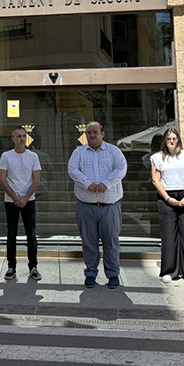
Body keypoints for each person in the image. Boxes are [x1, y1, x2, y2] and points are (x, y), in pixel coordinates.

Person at [67, 121, 127, 289]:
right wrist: (88, 184)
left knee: (111, 242)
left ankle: (113, 274)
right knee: (88, 242)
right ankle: (91, 273)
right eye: (89, 133)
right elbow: (72, 170)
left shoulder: (114, 151)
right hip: (86, 206)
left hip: (110, 206)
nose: (92, 135)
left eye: (95, 132)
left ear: (102, 133)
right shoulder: (78, 152)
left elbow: (122, 168)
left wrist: (106, 183)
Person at [151, 128, 184, 284]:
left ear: (178, 140)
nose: (172, 141)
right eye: (168, 139)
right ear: (165, 142)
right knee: (168, 235)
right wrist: (167, 198)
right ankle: (169, 271)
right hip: (167, 197)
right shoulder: (157, 158)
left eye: (174, 139)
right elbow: (156, 180)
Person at [0, 126, 41, 280]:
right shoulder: (6, 156)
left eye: (23, 136)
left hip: (29, 201)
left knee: (31, 235)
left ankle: (33, 267)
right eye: (18, 136)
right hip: (11, 201)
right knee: (11, 234)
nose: (21, 139)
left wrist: (25, 197)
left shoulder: (33, 156)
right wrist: (16, 197)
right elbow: (2, 180)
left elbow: (36, 180)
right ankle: (11, 267)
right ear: (13, 139)